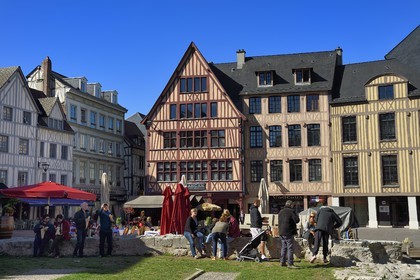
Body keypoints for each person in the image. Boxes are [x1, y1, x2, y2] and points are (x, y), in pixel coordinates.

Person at [278, 200, 300, 269]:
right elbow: (297, 220)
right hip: (288, 232)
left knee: (284, 247)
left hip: (281, 231)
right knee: (290, 247)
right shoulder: (291, 211)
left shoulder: (281, 211)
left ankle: (282, 261)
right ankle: (290, 263)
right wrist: (296, 213)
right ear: (291, 205)